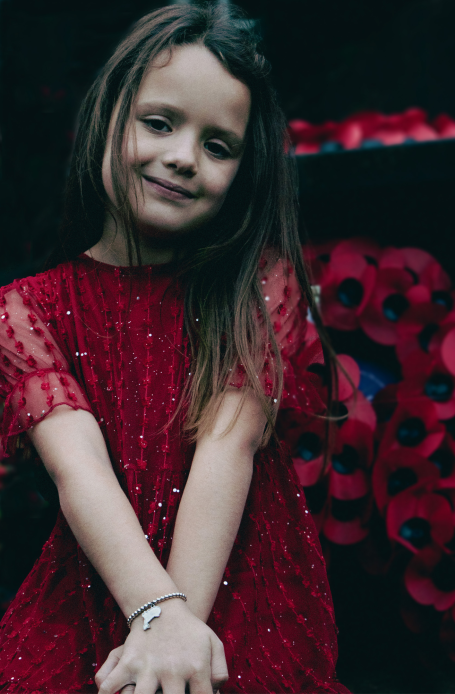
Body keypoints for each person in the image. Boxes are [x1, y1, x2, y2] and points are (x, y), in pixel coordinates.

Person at [0, 4, 349, 693]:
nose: (182, 157)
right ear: (107, 116)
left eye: (218, 146)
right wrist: (156, 615)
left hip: (239, 595)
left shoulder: (256, 284)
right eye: (158, 123)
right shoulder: (24, 310)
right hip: (102, 593)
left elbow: (228, 445)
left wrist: (175, 640)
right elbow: (80, 473)